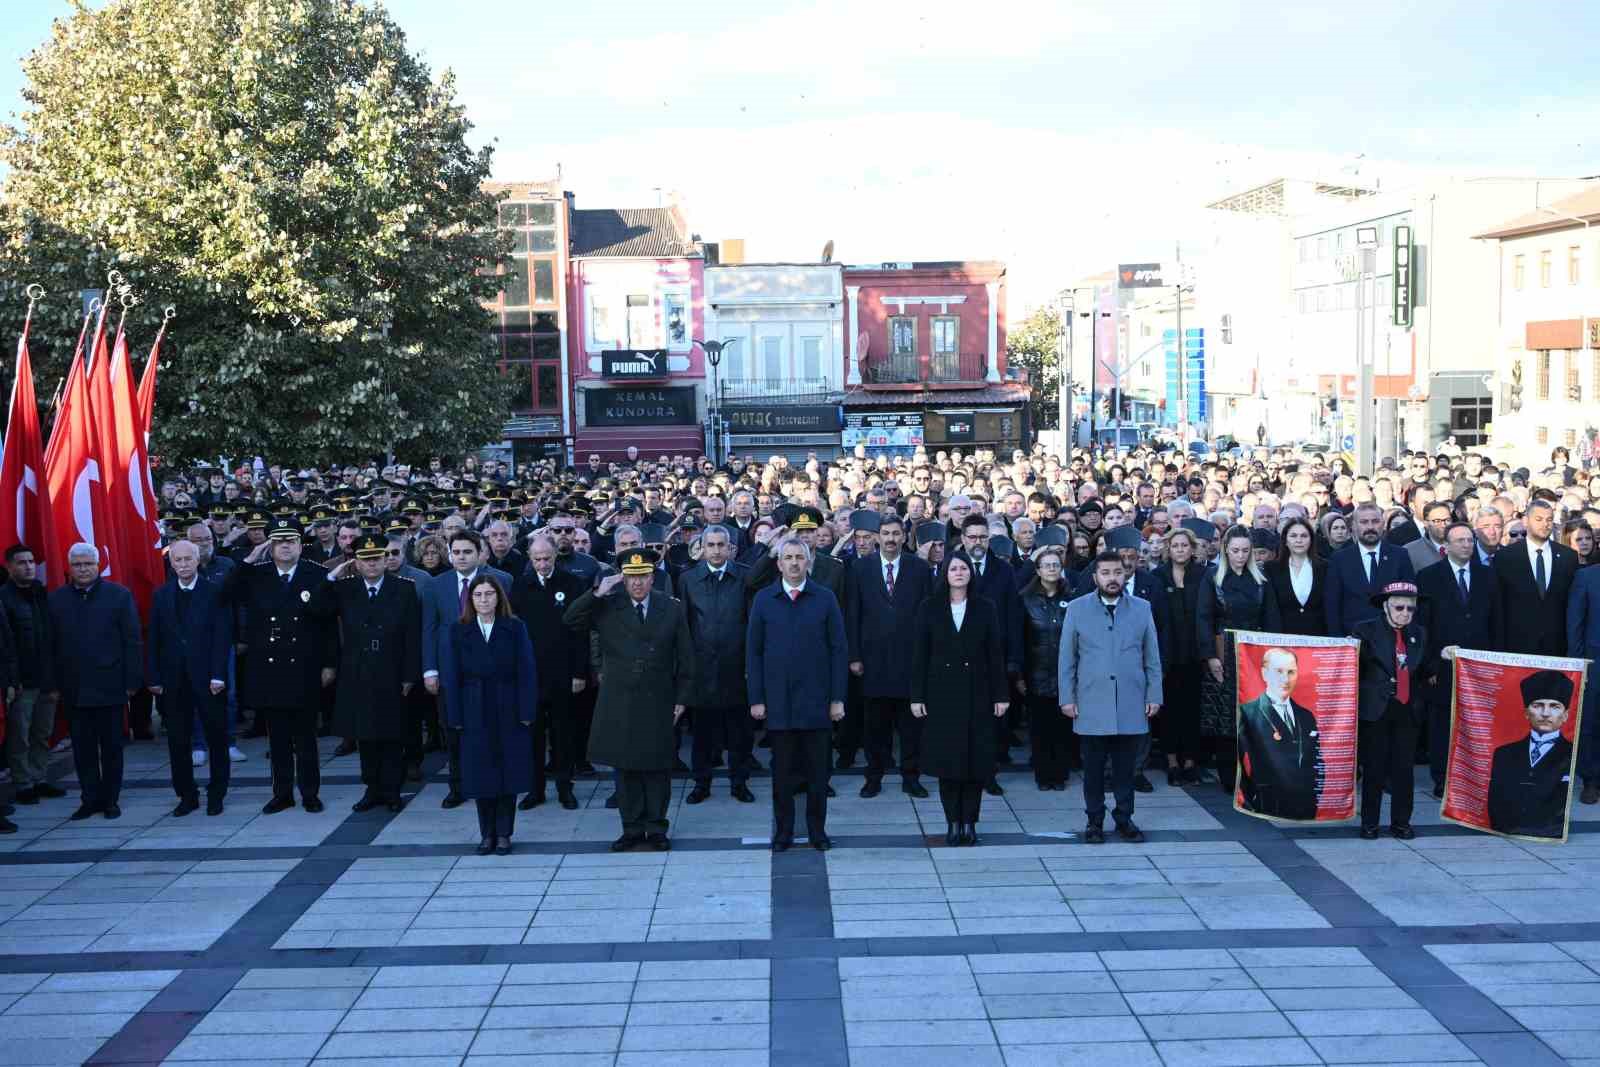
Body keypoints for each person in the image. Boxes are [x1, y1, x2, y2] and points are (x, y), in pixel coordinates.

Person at [564, 548, 693, 852]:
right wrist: (598, 592)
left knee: (658, 767)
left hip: (659, 696)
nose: (638, 583)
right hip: (620, 698)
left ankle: (657, 828)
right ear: (623, 578)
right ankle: (632, 828)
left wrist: (683, 698)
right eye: (632, 577)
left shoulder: (670, 607)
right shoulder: (608, 604)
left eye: (644, 576)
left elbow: (686, 657)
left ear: (653, 577)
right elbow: (571, 620)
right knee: (626, 768)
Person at [224, 519, 336, 814]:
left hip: (305, 665)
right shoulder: (256, 574)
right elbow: (224, 595)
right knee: (278, 738)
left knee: (306, 738)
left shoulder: (317, 574)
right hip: (270, 668)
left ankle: (310, 793)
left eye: (291, 540)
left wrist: (328, 663)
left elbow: (328, 625)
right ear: (269, 546)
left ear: (301, 544)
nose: (285, 545)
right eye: (279, 541)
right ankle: (282, 793)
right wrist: (248, 560)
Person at [747, 535, 848, 850]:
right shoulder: (764, 599)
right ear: (778, 564)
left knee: (818, 775)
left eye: (799, 557)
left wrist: (837, 698)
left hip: (817, 702)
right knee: (783, 776)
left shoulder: (825, 598)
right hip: (778, 704)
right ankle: (784, 832)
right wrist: (757, 699)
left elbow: (838, 650)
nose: (793, 563)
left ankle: (818, 832)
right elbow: (754, 652)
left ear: (809, 562)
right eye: (787, 557)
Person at [1058, 550, 1163, 843]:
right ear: (1095, 577)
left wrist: (1154, 694)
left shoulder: (1142, 608)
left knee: (1125, 768)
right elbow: (1067, 658)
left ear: (1125, 574)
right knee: (1092, 768)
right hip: (1091, 700)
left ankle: (1124, 818)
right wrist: (1067, 697)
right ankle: (1094, 820)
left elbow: (1152, 656)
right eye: (1105, 573)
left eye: (1117, 572)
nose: (1112, 578)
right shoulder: (1077, 609)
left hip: (1131, 700)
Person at [314, 535, 422, 813]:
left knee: (392, 734)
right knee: (365, 735)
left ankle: (392, 790)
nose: (372, 564)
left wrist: (410, 675)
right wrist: (331, 576)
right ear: (357, 563)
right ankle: (372, 789)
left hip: (392, 670)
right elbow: (314, 608)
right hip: (358, 671)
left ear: (386, 560)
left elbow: (412, 635)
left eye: (377, 558)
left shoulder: (404, 588)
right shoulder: (346, 588)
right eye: (365, 559)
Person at [911, 555, 1008, 845]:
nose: (958, 573)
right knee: (948, 764)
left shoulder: (985, 607)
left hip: (978, 693)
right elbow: (920, 654)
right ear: (944, 573)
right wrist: (916, 695)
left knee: (975, 763)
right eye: (953, 568)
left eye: (963, 568)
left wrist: (1001, 694)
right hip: (942, 695)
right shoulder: (929, 607)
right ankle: (953, 821)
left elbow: (995, 653)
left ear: (971, 573)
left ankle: (970, 822)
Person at [442, 574, 537, 855]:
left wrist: (527, 710)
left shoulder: (515, 627)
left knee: (508, 769)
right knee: (480, 772)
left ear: (499, 597)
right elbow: (451, 675)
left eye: (489, 594)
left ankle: (505, 833)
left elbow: (527, 670)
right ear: (470, 600)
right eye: (478, 595)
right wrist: (455, 715)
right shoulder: (458, 630)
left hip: (507, 705)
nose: (484, 600)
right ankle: (487, 834)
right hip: (474, 707)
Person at [49, 543, 142, 821]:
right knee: (83, 749)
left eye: (88, 563)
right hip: (74, 688)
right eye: (77, 564)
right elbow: (50, 645)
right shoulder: (56, 600)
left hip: (111, 685)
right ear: (69, 568)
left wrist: (132, 681)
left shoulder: (119, 595)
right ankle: (89, 799)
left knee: (112, 748)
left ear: (98, 565)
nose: (83, 569)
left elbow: (132, 640)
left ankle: (110, 799)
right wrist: (54, 684)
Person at [420, 530, 511, 809]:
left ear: (480, 553)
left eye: (467, 552)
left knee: (490, 729)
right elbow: (429, 629)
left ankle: (492, 781)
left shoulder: (502, 581)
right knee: (455, 731)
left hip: (491, 673)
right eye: (456, 552)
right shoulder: (436, 585)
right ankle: (458, 786)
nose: (461, 557)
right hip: (450, 672)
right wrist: (430, 670)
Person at [846, 513, 933, 799]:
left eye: (896, 533)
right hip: (873, 663)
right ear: (877, 536)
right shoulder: (860, 569)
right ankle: (874, 777)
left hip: (910, 662)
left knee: (911, 729)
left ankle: (911, 777)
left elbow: (928, 616)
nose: (891, 539)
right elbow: (853, 615)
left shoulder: (919, 569)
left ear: (904, 537)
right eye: (886, 533)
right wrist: (854, 656)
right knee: (875, 729)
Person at [147, 540, 233, 816]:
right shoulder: (161, 595)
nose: (183, 565)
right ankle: (186, 794)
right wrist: (154, 677)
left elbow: (222, 636)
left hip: (208, 677)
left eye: (187, 559)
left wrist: (219, 674)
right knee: (178, 740)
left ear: (198, 560)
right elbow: (154, 639)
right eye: (177, 560)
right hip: (174, 680)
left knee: (216, 737)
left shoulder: (215, 591)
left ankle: (217, 793)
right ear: (171, 563)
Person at [1419, 521, 1501, 798]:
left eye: (1469, 540)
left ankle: (1473, 775)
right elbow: (1423, 625)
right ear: (1447, 546)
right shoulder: (1429, 576)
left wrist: (1494, 662)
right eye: (1460, 541)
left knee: (1474, 721)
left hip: (1479, 665)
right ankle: (1442, 777)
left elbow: (1496, 621)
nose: (1466, 545)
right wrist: (1430, 664)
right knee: (1442, 722)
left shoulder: (1488, 575)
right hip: (1443, 664)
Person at [1197, 525, 1282, 791]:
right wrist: (1210, 656)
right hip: (1224, 651)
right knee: (1225, 718)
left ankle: (1252, 772)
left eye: (1246, 550)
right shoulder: (1213, 578)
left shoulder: (1260, 581)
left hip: (1255, 653)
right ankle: (1227, 775)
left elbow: (1272, 620)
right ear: (1225, 550)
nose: (1241, 556)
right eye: (1235, 550)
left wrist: (1273, 656)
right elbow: (1203, 619)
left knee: (1254, 715)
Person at [509, 535, 588, 810]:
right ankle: (535, 789)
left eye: (547, 558)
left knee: (563, 734)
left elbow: (581, 631)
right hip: (531, 675)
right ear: (530, 559)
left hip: (563, 673)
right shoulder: (520, 587)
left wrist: (579, 673)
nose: (542, 564)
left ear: (555, 556)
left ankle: (565, 788)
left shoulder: (573, 584)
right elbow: (512, 633)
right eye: (537, 559)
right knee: (532, 736)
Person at [680, 524, 755, 804]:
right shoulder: (688, 579)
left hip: (737, 668)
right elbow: (684, 624)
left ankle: (739, 782)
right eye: (710, 545)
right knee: (702, 735)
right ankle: (701, 783)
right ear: (702, 548)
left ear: (730, 548)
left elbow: (750, 622)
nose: (715, 550)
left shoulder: (744, 576)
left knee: (740, 733)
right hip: (702, 670)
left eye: (720, 545)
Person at [1353, 581, 1428, 840]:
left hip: (1407, 710)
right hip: (1376, 709)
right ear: (1385, 606)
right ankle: (1370, 823)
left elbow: (1424, 670)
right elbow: (1354, 667)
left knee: (1404, 771)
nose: (1405, 613)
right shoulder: (1365, 631)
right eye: (1399, 607)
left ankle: (1401, 823)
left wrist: (1445, 655)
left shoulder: (1419, 633)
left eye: (1410, 609)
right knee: (1374, 769)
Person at [0, 543, 63, 808]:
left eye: (31, 561)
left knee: (42, 732)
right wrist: (11, 682)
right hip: (22, 682)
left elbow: (53, 638)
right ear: (9, 567)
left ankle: (39, 778)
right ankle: (23, 783)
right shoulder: (4, 597)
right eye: (21, 562)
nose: (28, 566)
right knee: (20, 736)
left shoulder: (41, 593)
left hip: (47, 680)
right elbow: (6, 645)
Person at [1487, 669, 1575, 839]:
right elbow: (1495, 800)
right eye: (1538, 705)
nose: (1545, 713)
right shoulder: (1503, 754)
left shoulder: (1572, 752)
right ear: (1526, 713)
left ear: (1565, 715)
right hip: (1507, 830)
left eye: (1554, 706)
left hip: (1550, 831)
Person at [1154, 524, 1211, 785]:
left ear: (1192, 548)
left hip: (1194, 653)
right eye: (1175, 545)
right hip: (1166, 654)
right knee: (1169, 709)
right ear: (1168, 548)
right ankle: (1172, 761)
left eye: (1184, 545)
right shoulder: (1157, 576)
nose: (1179, 549)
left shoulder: (1203, 575)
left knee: (1192, 708)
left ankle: (1190, 761)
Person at [1235, 647, 1321, 820]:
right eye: (1279, 671)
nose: (1285, 679)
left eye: (1291, 672)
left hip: (1306, 806)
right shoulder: (1248, 712)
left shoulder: (1306, 716)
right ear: (1264, 674)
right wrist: (1251, 798)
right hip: (1267, 804)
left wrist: (1314, 796)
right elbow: (1238, 760)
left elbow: (1318, 760)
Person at [1494, 498, 1577, 656]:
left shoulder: (1568, 557)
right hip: (1517, 647)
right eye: (1538, 519)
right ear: (1525, 521)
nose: (1545, 524)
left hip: (1557, 647)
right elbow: (1499, 605)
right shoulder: (1505, 557)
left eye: (1549, 520)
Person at [1020, 544, 1073, 790]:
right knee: (1040, 728)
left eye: (1056, 564)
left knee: (1063, 727)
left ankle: (1060, 774)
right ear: (1038, 570)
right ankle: (1043, 775)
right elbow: (1020, 639)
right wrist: (1019, 674)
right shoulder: (1025, 600)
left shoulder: (1073, 598)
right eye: (1047, 565)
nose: (1052, 569)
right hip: (1036, 673)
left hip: (1066, 674)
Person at [1325, 502, 1416, 636]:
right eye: (1364, 522)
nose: (1370, 527)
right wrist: (1339, 640)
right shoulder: (1339, 559)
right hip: (1352, 638)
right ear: (1354, 526)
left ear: (1383, 524)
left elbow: (1410, 599)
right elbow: (1332, 604)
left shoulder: (1400, 555)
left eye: (1375, 521)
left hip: (1391, 637)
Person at [1265, 517, 1327, 637]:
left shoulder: (1325, 567)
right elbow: (1271, 610)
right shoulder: (1272, 569)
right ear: (1285, 541)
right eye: (1293, 536)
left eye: (1304, 536)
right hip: (1283, 640)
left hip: (1318, 639)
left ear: (1311, 540)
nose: (1299, 540)